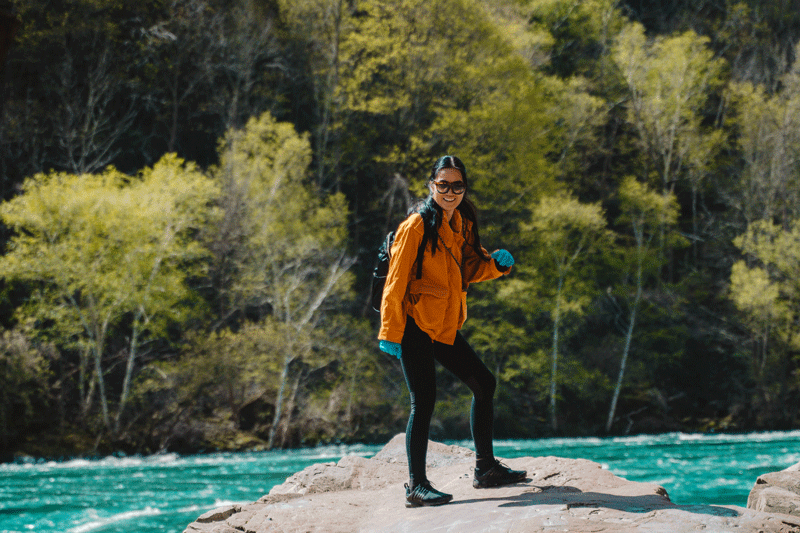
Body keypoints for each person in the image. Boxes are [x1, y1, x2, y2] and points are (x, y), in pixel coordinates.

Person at [378, 155, 526, 508]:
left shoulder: (461, 220)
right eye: (442, 184)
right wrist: (389, 331)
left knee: (484, 383)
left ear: (464, 189)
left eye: (456, 185)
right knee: (424, 401)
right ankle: (416, 486)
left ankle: (486, 469)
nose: (449, 191)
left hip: (443, 324)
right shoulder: (416, 225)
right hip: (414, 323)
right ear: (431, 186)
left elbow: (469, 268)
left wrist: (494, 266)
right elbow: (395, 282)